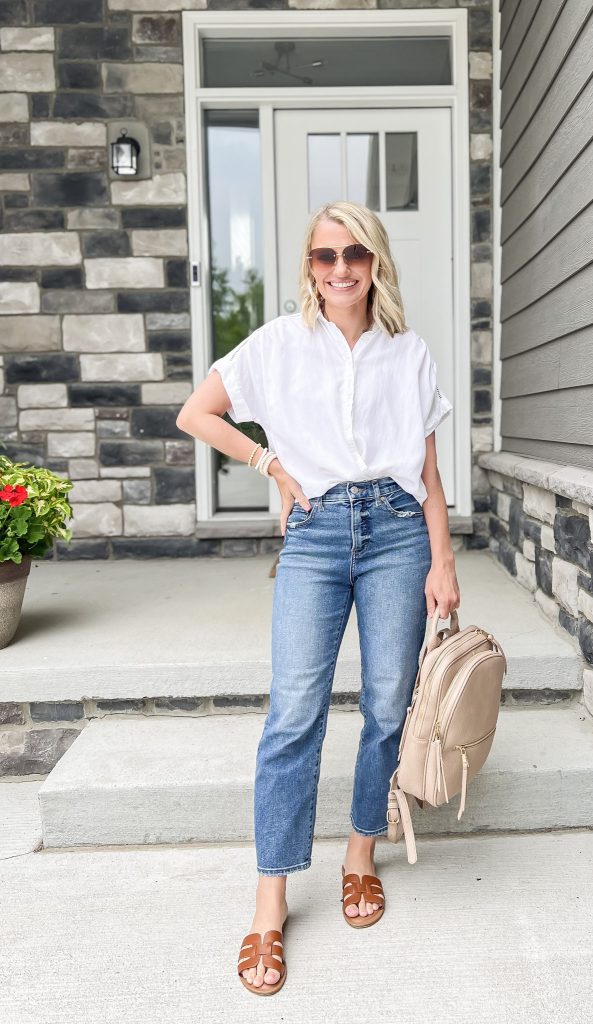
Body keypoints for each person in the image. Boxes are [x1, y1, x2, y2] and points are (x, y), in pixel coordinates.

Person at [176, 200, 460, 996]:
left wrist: (442, 559)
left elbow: (430, 475)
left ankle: (360, 854)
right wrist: (272, 468)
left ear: (376, 263)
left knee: (383, 706)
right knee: (293, 712)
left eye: (355, 255)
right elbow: (196, 412)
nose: (340, 269)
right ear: (309, 265)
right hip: (317, 533)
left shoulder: (408, 354)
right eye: (325, 255)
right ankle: (269, 905)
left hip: (401, 533)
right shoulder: (278, 344)